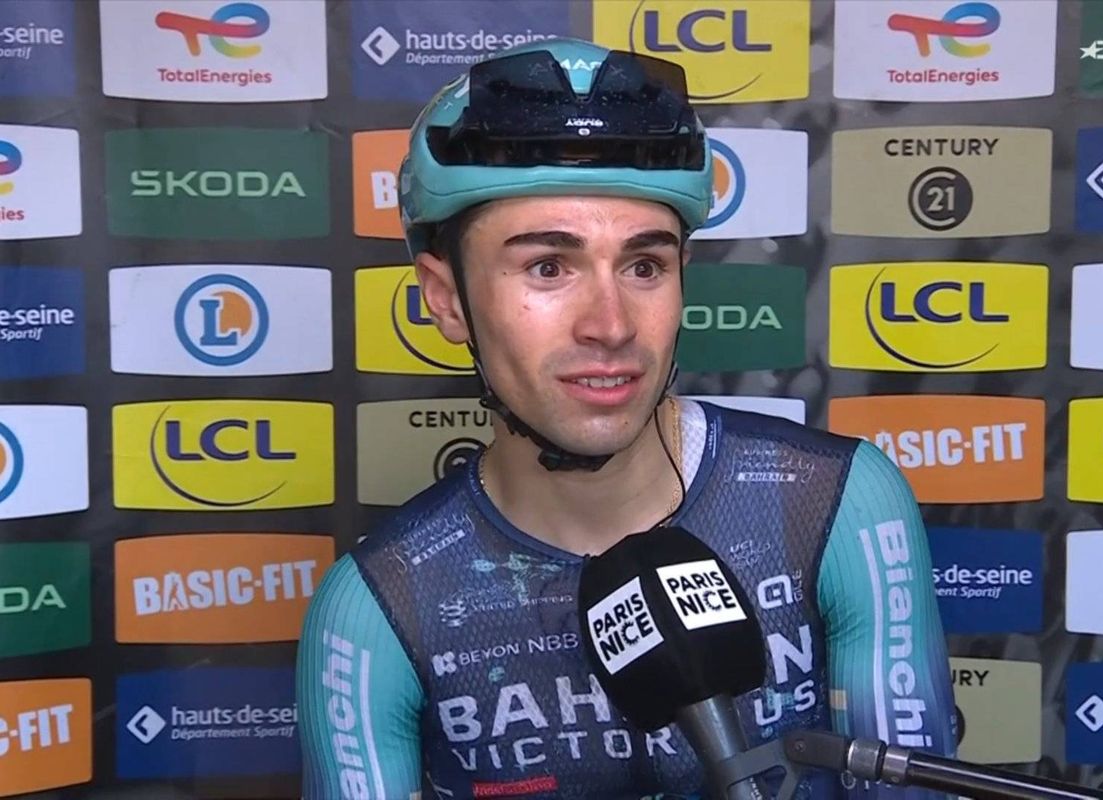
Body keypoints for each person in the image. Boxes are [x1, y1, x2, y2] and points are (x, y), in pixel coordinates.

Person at [296, 36, 957, 800]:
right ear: (446, 300)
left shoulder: (835, 504)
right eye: (548, 267)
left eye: (645, 266)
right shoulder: (374, 611)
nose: (610, 325)